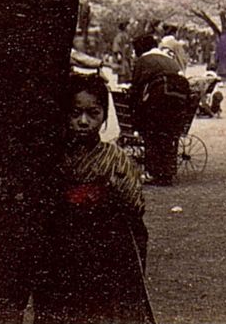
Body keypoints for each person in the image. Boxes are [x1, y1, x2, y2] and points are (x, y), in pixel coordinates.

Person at [33, 74, 153, 324]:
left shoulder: (116, 159)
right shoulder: (51, 159)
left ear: (104, 116)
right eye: (75, 113)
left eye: (93, 113)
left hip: (105, 257)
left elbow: (135, 210)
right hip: (61, 255)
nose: (84, 122)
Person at [129, 34, 186, 186]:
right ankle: (167, 173)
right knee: (168, 138)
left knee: (152, 136)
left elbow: (136, 88)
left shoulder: (144, 61)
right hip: (178, 103)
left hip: (158, 101)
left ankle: (153, 172)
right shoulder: (170, 61)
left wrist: (135, 117)